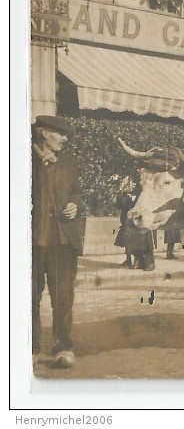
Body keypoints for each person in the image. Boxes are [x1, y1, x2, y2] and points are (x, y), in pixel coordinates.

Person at [32, 116, 86, 369]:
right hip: (29, 241)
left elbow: (76, 191)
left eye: (67, 135)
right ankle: (30, 348)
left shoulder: (68, 161)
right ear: (42, 132)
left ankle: (63, 346)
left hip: (62, 241)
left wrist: (75, 204)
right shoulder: (21, 157)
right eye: (60, 134)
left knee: (63, 297)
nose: (65, 139)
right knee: (27, 297)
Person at [113, 185, 155, 271]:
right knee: (129, 242)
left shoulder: (144, 192)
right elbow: (123, 205)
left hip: (141, 221)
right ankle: (131, 261)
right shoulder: (132, 191)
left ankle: (148, 263)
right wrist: (122, 194)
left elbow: (133, 205)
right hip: (130, 221)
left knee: (145, 244)